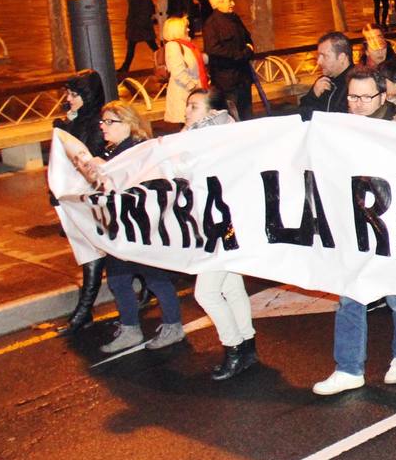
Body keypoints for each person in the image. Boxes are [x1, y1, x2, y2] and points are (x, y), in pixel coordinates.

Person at [312, 65, 396, 395]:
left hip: (393, 224)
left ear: (383, 96)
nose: (357, 103)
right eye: (353, 97)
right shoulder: (340, 129)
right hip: (354, 223)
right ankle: (348, 367)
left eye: (366, 97)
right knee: (350, 294)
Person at [95, 101, 187, 353]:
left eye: (109, 122)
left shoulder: (140, 152)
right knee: (118, 278)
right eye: (102, 122)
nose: (103, 127)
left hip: (142, 229)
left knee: (155, 278)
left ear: (129, 124)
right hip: (123, 228)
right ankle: (130, 328)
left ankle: (172, 326)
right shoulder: (114, 153)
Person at [182, 88, 258, 380]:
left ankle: (234, 347)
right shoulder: (201, 137)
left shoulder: (223, 140)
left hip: (227, 225)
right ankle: (247, 346)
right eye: (187, 106)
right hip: (216, 222)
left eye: (194, 107)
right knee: (230, 286)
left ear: (212, 113)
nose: (187, 111)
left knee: (206, 292)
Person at [56, 70, 109, 332]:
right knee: (101, 252)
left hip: (95, 200)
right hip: (82, 200)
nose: (69, 99)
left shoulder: (98, 123)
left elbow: (90, 160)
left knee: (95, 254)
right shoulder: (76, 120)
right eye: (68, 94)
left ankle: (83, 311)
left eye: (74, 94)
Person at [201, 0, 256, 121]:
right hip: (226, 81)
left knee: (247, 114)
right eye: (229, 1)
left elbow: (247, 39)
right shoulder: (211, 24)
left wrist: (249, 49)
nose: (233, 4)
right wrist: (241, 54)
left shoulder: (234, 19)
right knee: (232, 116)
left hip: (243, 77)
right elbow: (214, 50)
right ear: (219, 3)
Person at [159, 15, 206, 125]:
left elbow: (199, 61)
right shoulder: (173, 46)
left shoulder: (187, 46)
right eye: (186, 27)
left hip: (193, 91)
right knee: (188, 125)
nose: (189, 29)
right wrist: (193, 86)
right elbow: (177, 71)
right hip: (183, 93)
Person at [298, 30, 353, 119]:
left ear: (341, 58)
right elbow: (302, 115)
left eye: (324, 56)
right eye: (319, 56)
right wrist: (313, 95)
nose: (318, 62)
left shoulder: (357, 83)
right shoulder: (323, 81)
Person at [118, 0, 158, 75]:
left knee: (153, 46)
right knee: (131, 47)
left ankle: (164, 61)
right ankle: (125, 67)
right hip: (135, 26)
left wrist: (142, 22)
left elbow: (147, 8)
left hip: (142, 25)